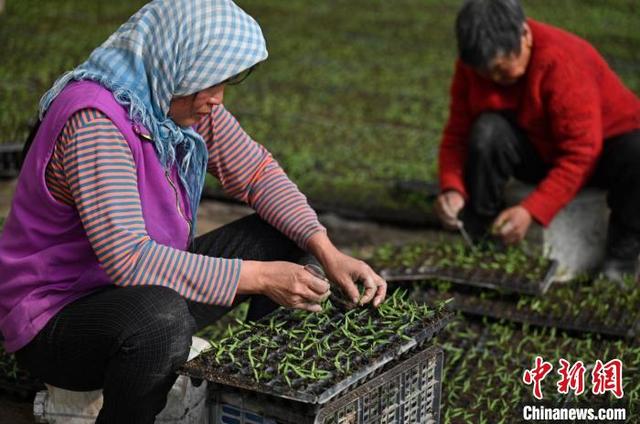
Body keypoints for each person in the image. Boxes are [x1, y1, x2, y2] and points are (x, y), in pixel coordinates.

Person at [0, 1, 387, 422]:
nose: (215, 99)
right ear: (173, 61)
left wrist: (329, 252)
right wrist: (261, 278)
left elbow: (257, 172)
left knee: (285, 241)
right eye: (206, 83)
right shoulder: (96, 122)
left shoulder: (172, 101)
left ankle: (272, 407)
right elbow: (129, 259)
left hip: (137, 290)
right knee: (162, 323)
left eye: (220, 83)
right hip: (60, 318)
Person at [435, 0, 640, 279]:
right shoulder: (474, 65)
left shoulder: (563, 62)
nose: (494, 79)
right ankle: (483, 237)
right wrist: (452, 187)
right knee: (487, 131)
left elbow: (582, 153)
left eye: (500, 69)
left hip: (603, 152)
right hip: (541, 149)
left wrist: (532, 210)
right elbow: (456, 135)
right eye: (487, 74)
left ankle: (621, 260)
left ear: (525, 35)